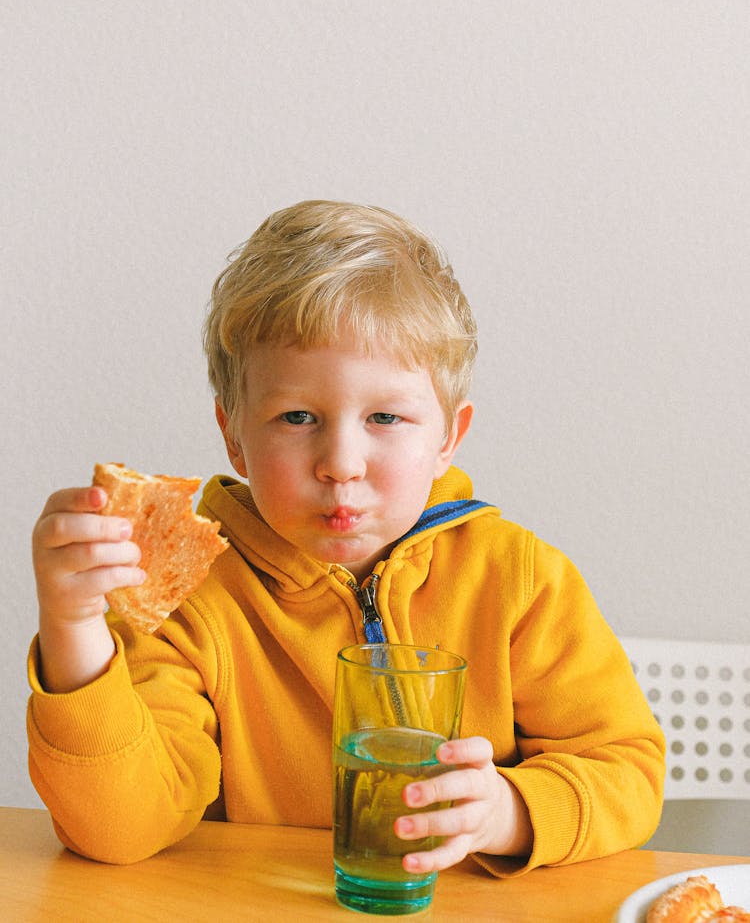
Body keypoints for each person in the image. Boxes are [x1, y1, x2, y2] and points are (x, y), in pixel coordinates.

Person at [28, 199, 665, 872]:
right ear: (234, 436)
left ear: (448, 436)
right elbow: (119, 827)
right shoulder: (193, 599)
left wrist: (508, 810)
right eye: (297, 415)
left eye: (385, 416)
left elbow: (626, 767)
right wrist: (72, 627)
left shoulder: (519, 581)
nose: (341, 461)